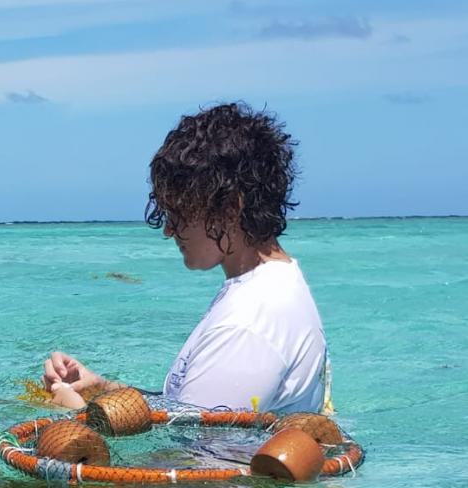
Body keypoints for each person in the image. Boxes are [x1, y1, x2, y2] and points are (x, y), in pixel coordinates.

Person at [43, 102, 327, 414]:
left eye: (178, 214)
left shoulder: (246, 325)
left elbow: (195, 459)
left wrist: (77, 414)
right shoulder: (266, 289)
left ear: (229, 210)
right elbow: (184, 411)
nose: (168, 230)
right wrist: (102, 389)